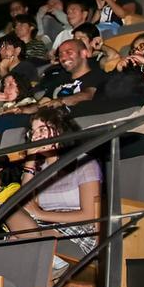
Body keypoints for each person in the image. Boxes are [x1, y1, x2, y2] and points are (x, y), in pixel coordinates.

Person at [19, 107, 102, 255]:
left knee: (21, 242)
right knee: (13, 221)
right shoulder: (39, 170)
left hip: (78, 230)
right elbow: (26, 204)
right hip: (44, 226)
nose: (36, 137)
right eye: (33, 132)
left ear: (60, 131)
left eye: (42, 130)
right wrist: (30, 161)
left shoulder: (84, 163)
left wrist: (40, 214)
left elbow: (89, 215)